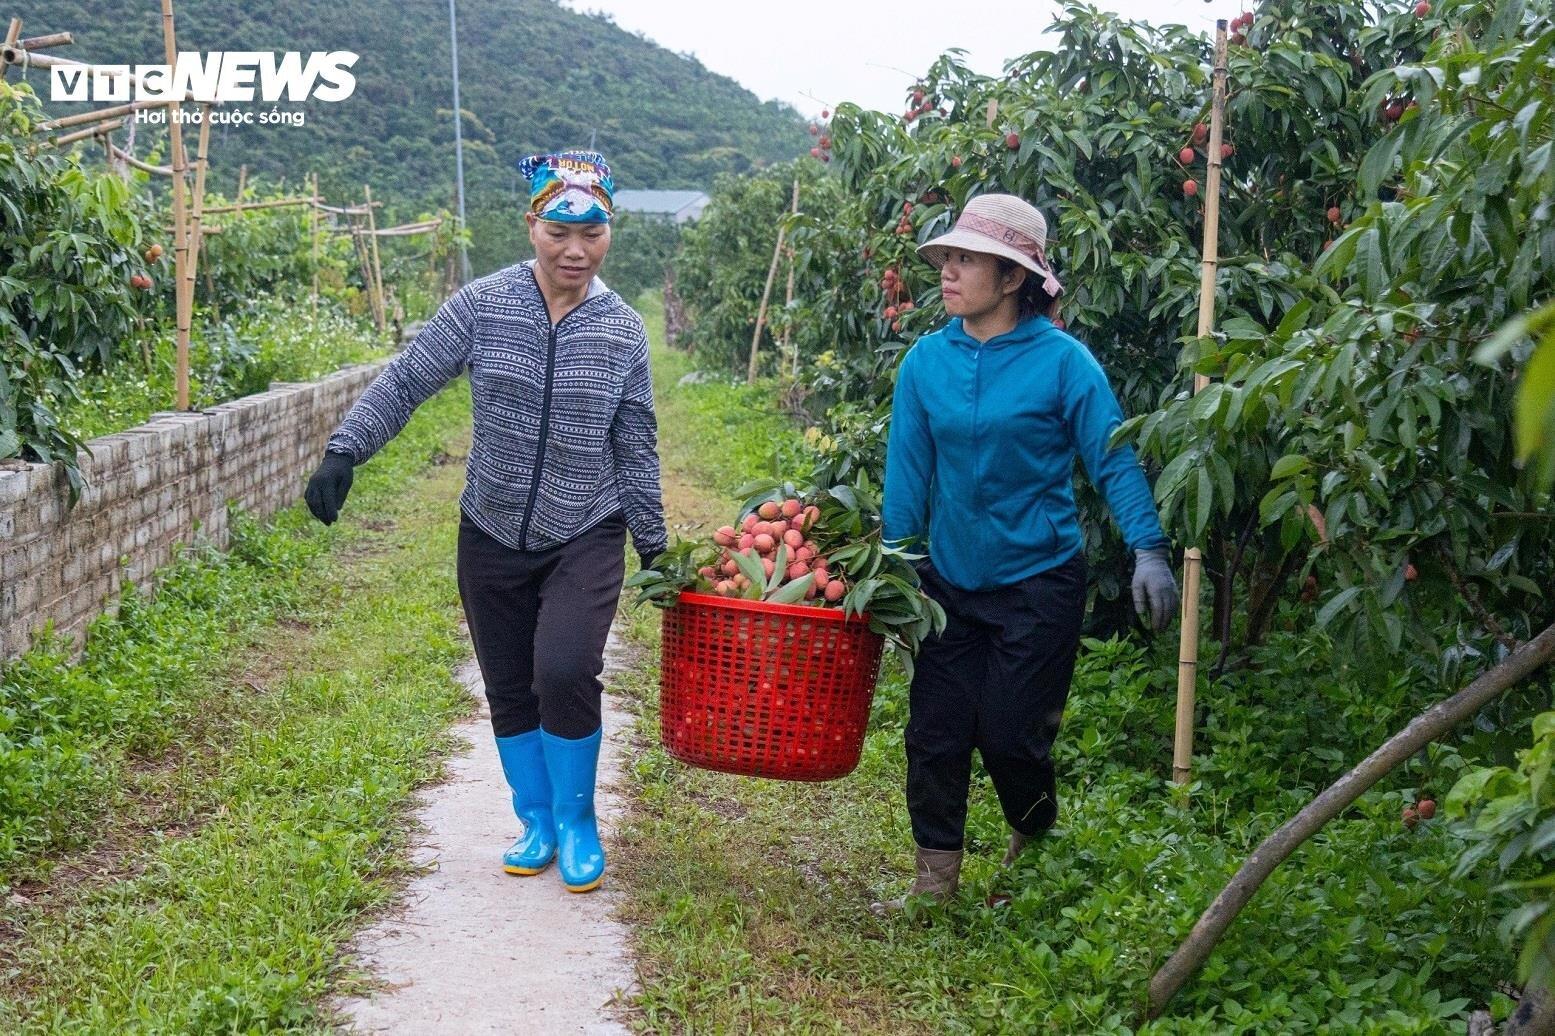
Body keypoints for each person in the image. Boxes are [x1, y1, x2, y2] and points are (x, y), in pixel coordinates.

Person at [303, 150, 667, 894]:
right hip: (490, 526)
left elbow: (634, 443)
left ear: (608, 233)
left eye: (592, 232)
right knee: (508, 684)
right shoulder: (482, 305)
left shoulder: (623, 330)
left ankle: (577, 821)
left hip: (586, 527)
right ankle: (534, 819)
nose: (574, 249)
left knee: (564, 669)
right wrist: (346, 448)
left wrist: (655, 544)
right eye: (559, 231)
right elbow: (408, 378)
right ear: (531, 225)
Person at [874, 193, 1179, 912]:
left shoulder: (1063, 363)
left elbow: (1111, 457)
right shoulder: (925, 362)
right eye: (946, 257)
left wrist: (1148, 548)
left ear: (1011, 278)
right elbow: (906, 471)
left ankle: (1032, 844)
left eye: (966, 260)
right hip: (948, 581)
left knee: (1013, 737)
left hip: (1036, 582)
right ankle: (934, 884)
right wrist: (894, 568)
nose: (947, 271)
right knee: (934, 735)